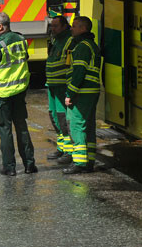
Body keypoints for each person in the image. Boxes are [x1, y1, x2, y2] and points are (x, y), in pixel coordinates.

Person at [0, 12, 37, 176]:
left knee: (5, 130)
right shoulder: (21, 40)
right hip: (20, 91)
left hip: (2, 95)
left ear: (0, 27)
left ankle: (9, 167)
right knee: (21, 127)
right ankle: (29, 165)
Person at [63, 16, 101, 174]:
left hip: (82, 92)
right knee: (89, 126)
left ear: (83, 29)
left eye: (75, 26)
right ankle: (89, 160)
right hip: (91, 91)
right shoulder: (91, 45)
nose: (71, 28)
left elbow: (78, 73)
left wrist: (70, 93)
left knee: (77, 125)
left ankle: (79, 162)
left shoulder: (82, 47)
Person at [45, 16, 74, 164]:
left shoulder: (69, 41)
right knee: (54, 116)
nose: (53, 29)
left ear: (64, 26)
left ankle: (69, 151)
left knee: (63, 118)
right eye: (52, 26)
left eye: (56, 26)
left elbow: (69, 65)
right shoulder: (56, 39)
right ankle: (61, 147)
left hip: (62, 85)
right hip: (52, 84)